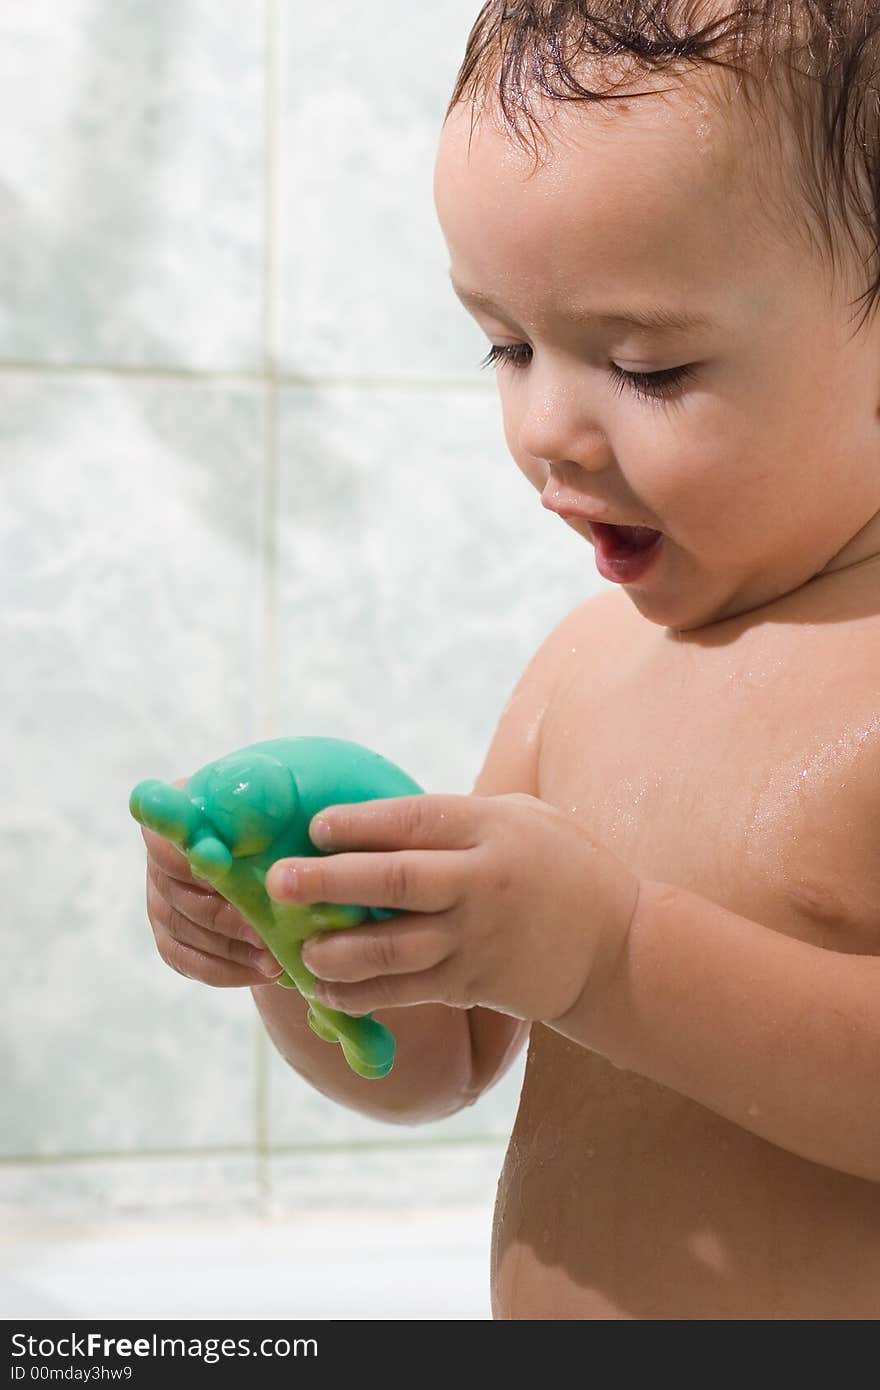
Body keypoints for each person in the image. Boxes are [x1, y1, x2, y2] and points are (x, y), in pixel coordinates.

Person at [141, 2, 880, 1318]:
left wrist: (613, 954)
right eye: (506, 343)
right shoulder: (580, 673)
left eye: (648, 365)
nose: (547, 427)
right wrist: (301, 941)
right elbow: (448, 1052)